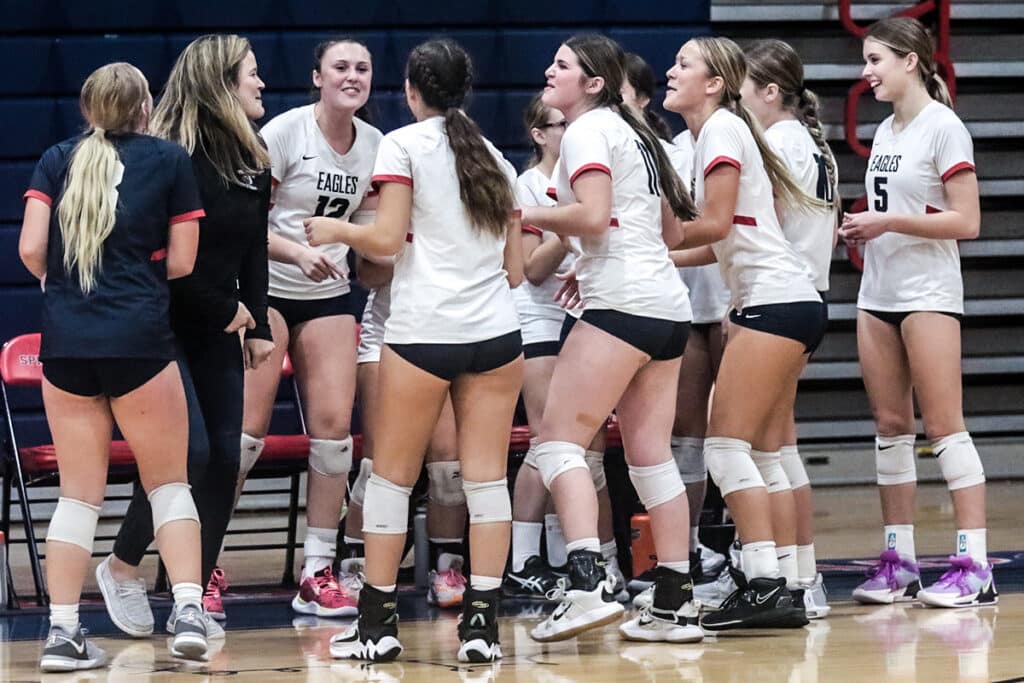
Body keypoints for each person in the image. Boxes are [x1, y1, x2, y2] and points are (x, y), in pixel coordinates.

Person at [307, 38, 524, 662]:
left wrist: (335, 229)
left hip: (424, 333)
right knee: (484, 485)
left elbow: (385, 239)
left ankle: (376, 626)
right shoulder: (494, 159)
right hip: (496, 336)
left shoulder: (401, 144)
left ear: (410, 89)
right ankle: (482, 627)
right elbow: (514, 270)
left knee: (392, 481)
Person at [19, 62, 208, 670]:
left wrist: (70, 288)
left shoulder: (55, 158)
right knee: (169, 484)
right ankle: (188, 611)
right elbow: (182, 262)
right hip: (139, 340)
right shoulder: (171, 161)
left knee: (78, 497)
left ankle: (63, 633)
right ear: (145, 108)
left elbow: (29, 248)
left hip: (65, 344)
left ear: (87, 108)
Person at [523, 34, 702, 645]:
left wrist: (524, 216)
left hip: (624, 303)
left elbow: (595, 215)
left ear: (593, 83)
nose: (550, 70)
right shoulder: (642, 133)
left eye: (564, 65)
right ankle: (676, 601)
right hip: (665, 306)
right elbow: (672, 232)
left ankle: (587, 585)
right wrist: (591, 258)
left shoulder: (587, 131)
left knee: (557, 443)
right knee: (651, 454)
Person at [94, 34, 274, 637]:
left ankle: (188, 599)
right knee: (187, 455)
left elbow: (253, 246)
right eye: (251, 74)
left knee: (226, 458)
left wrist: (260, 319)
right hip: (162, 325)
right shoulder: (169, 154)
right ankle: (120, 567)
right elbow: (161, 259)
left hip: (222, 325)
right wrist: (229, 308)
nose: (261, 84)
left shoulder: (254, 157)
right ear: (221, 83)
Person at [663, 36, 826, 631]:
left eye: (684, 64)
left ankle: (763, 582)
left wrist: (640, 231)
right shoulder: (728, 129)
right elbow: (719, 241)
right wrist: (661, 258)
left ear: (713, 82)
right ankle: (787, 580)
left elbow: (712, 222)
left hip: (773, 304)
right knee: (765, 455)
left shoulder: (721, 131)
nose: (669, 71)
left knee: (726, 450)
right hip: (792, 303)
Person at [841, 17, 992, 608]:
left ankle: (973, 564)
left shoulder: (943, 128)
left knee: (943, 426)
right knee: (889, 426)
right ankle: (898, 561)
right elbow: (892, 207)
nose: (866, 72)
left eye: (876, 59)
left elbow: (968, 222)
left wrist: (889, 222)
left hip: (928, 293)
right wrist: (860, 230)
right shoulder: (884, 131)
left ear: (910, 61)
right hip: (878, 291)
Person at [237, 36, 382, 617]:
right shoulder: (283, 133)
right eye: (341, 67)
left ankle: (318, 570)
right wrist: (295, 253)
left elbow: (371, 239)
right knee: (246, 440)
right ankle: (204, 566)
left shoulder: (375, 145)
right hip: (267, 287)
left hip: (328, 294)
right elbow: (244, 226)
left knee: (333, 436)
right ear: (317, 77)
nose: (352, 76)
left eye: (363, 68)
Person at [504, 94, 628, 601]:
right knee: (547, 444)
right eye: (559, 124)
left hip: (579, 320)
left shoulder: (586, 178)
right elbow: (531, 270)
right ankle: (523, 559)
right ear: (539, 133)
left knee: (581, 453)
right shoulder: (530, 185)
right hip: (537, 322)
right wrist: (570, 220)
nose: (569, 129)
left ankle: (571, 560)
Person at [740, 38, 840, 619]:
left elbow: (762, 226)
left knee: (761, 449)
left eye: (743, 89)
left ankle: (785, 579)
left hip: (779, 298)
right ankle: (805, 578)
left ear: (769, 92)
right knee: (781, 444)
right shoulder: (815, 145)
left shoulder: (776, 142)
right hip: (811, 293)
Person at [621, 51, 728, 588]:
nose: (671, 73)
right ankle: (682, 555)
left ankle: (776, 568)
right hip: (684, 304)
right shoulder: (667, 150)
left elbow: (724, 228)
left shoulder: (730, 135)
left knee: (745, 440)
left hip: (739, 300)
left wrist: (652, 253)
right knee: (686, 436)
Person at [348, 256, 470, 609]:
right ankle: (355, 565)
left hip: (449, 332)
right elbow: (368, 273)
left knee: (449, 468)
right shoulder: (396, 202)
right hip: (390, 331)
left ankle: (447, 567)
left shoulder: (476, 202)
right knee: (379, 466)